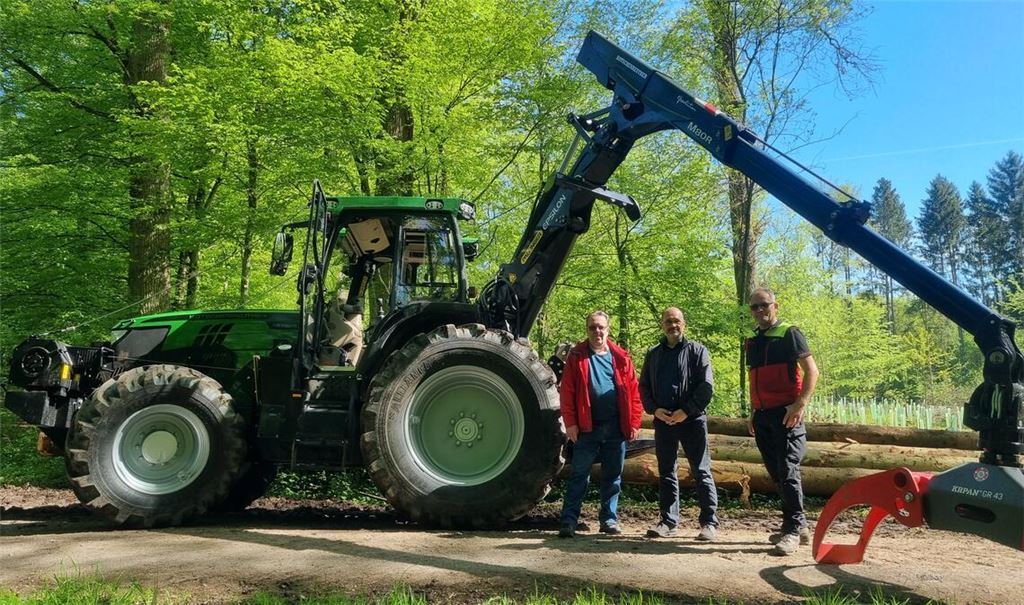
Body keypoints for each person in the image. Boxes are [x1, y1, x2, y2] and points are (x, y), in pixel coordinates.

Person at [745, 287, 819, 555]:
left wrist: (800, 404)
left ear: (775, 305)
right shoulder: (753, 341)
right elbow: (755, 379)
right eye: (754, 307)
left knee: (788, 470)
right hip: (762, 415)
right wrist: (753, 411)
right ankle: (798, 526)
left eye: (764, 305)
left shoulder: (790, 333)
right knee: (777, 472)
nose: (760, 311)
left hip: (786, 414)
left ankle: (791, 529)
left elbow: (812, 371)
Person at [558, 310, 643, 538]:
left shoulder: (621, 358)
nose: (597, 331)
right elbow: (567, 393)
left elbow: (634, 393)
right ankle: (569, 521)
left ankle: (609, 520)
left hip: (616, 427)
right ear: (587, 330)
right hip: (587, 427)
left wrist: (634, 422)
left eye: (601, 327)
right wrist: (571, 424)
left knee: (613, 476)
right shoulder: (577, 357)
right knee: (579, 475)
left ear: (608, 329)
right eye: (592, 327)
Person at [639, 307, 719, 541]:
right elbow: (643, 387)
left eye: (676, 321)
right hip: (663, 422)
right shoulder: (653, 354)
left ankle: (709, 523)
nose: (672, 325)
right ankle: (668, 522)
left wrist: (687, 411)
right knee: (666, 472)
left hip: (692, 420)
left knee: (701, 470)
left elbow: (706, 386)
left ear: (683, 324)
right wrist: (655, 409)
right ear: (662, 325)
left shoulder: (697, 351)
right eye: (668, 322)